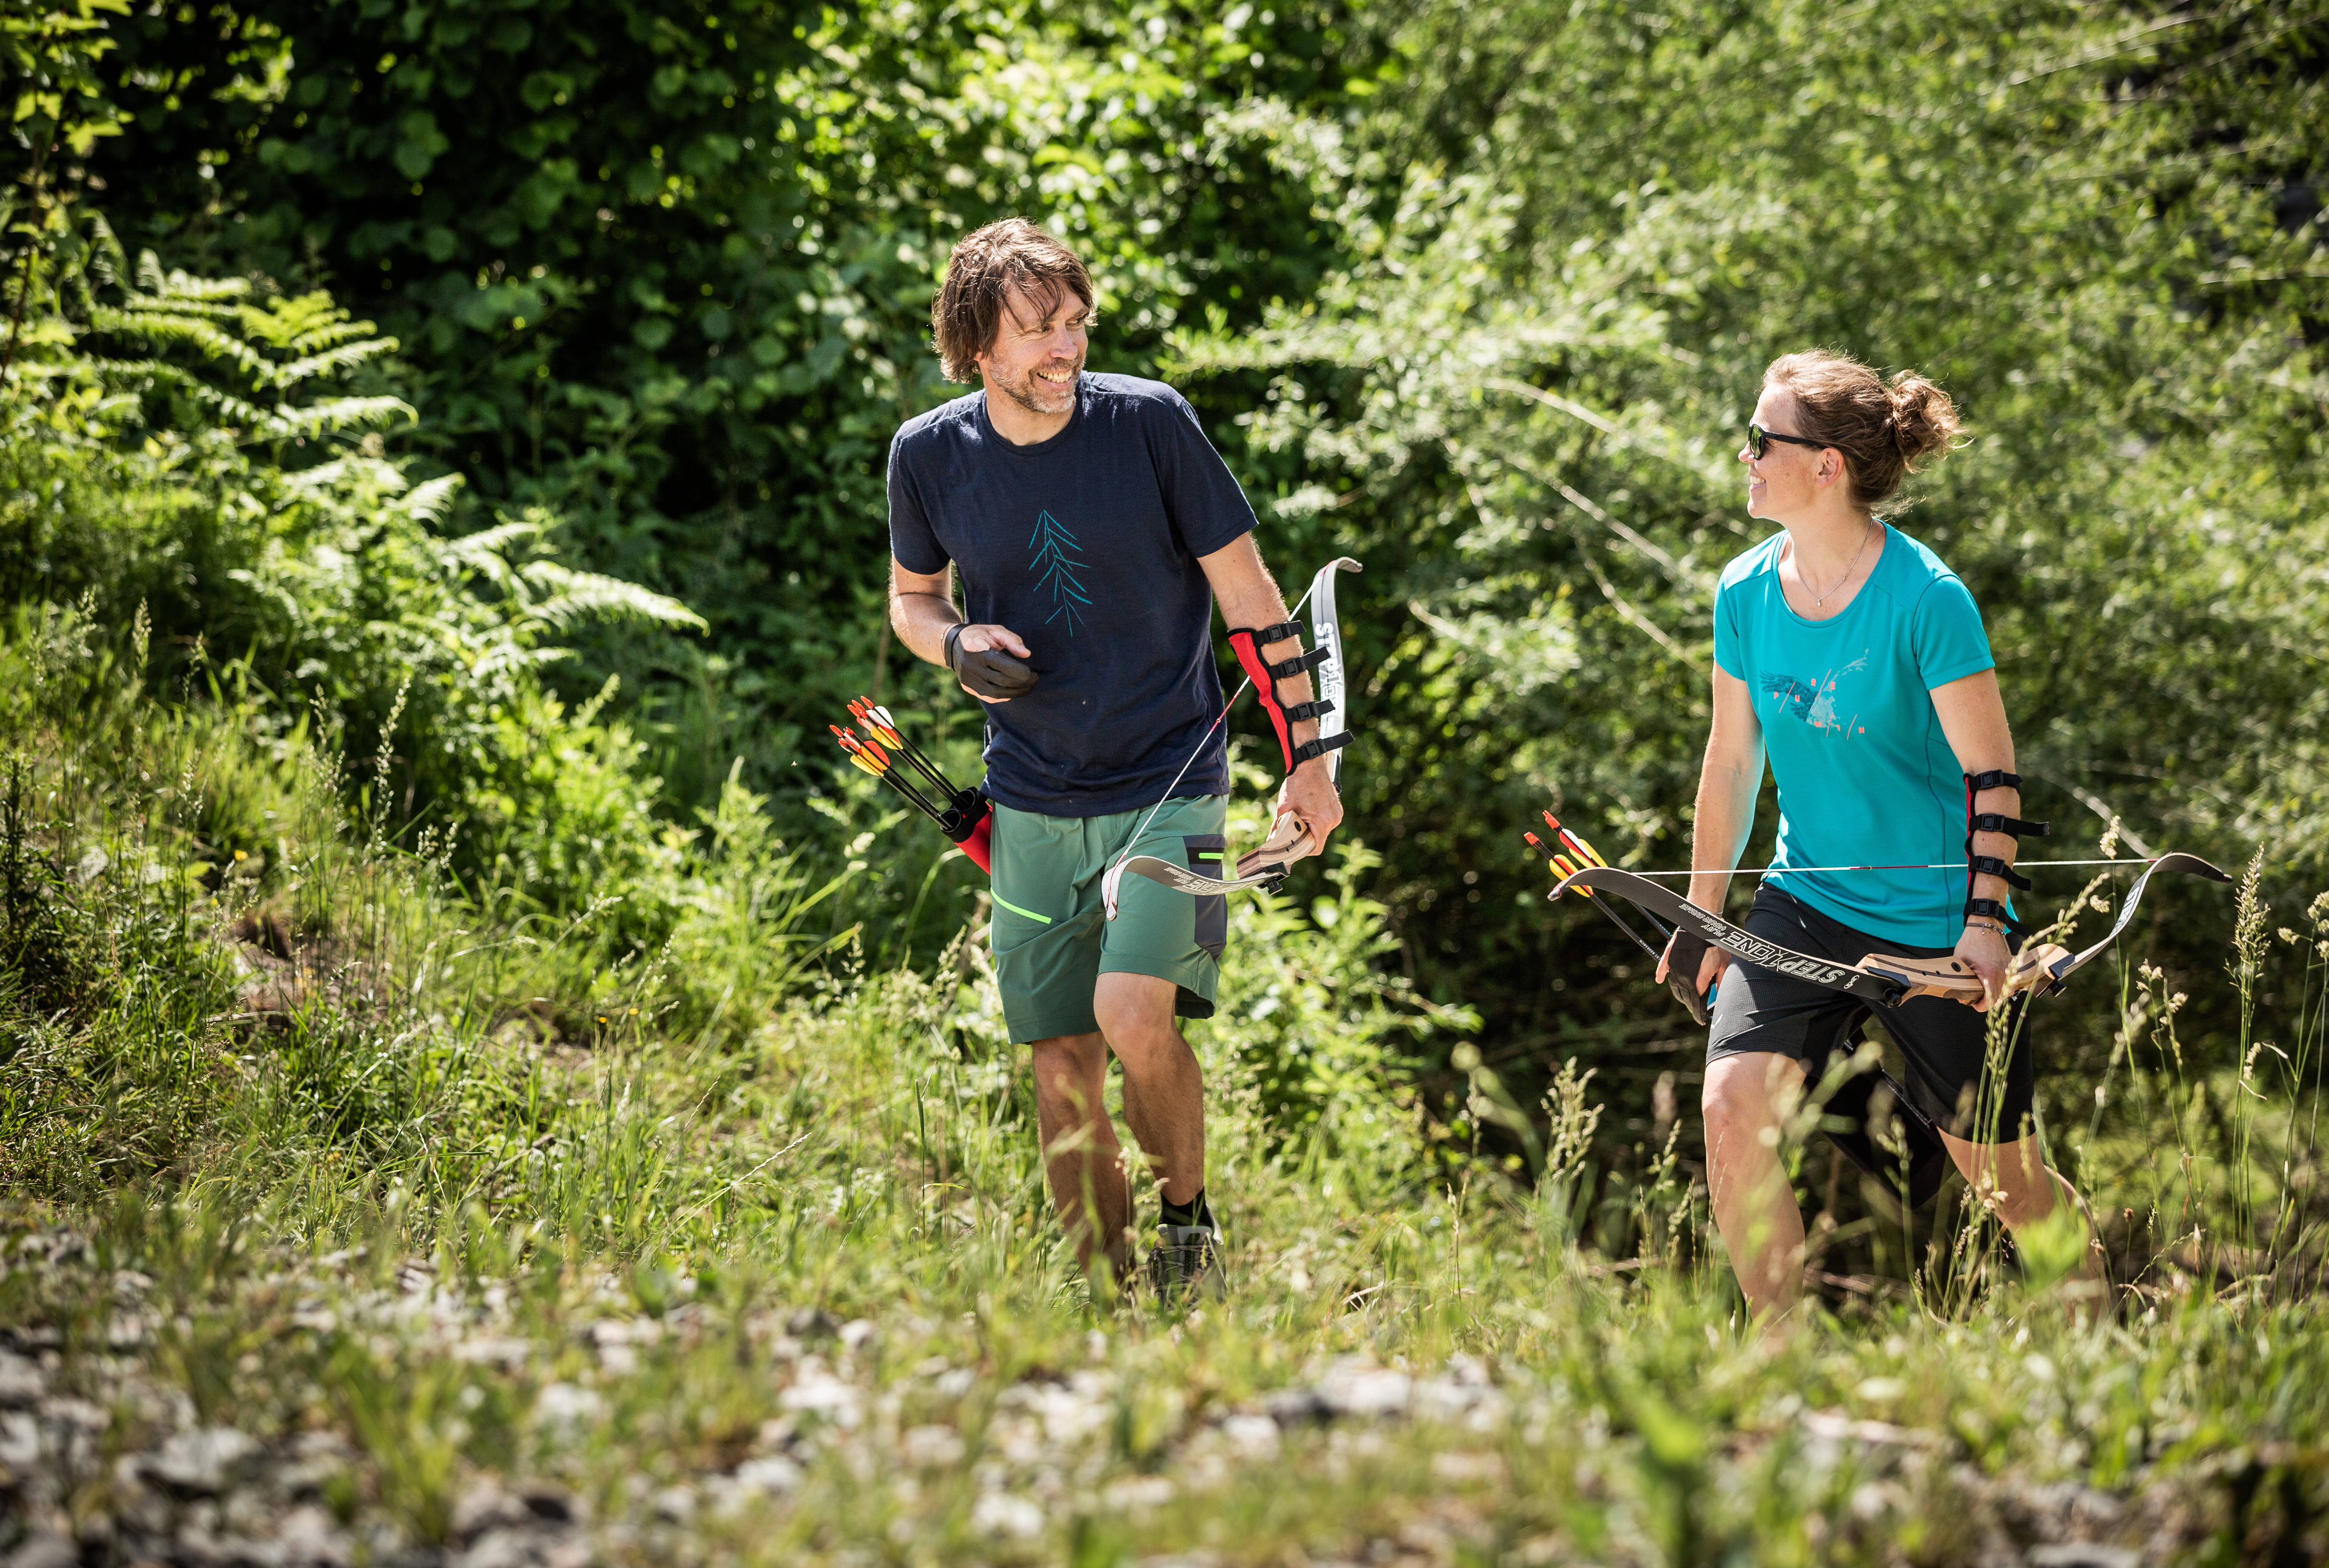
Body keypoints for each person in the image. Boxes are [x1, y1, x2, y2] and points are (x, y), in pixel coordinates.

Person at [885, 218, 1343, 1296]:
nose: (1065, 349)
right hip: (1031, 791)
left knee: (1133, 1015)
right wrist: (953, 642)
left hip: (1166, 780)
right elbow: (912, 601)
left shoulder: (1149, 425)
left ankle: (1187, 1226)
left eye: (1076, 324)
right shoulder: (929, 453)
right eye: (1037, 330)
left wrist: (1308, 760)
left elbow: (1250, 594)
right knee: (1058, 1065)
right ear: (975, 345)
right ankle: (1101, 1292)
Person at [1657, 349, 2097, 1324]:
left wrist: (1984, 926)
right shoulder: (1742, 590)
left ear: (1827, 468)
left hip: (1935, 925)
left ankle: (2095, 1330)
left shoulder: (1925, 599)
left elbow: (1990, 775)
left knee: (2004, 1183)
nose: (1744, 455)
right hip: (1802, 900)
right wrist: (1702, 914)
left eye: (1761, 439)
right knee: (1730, 1107)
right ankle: (1777, 1356)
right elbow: (1730, 764)